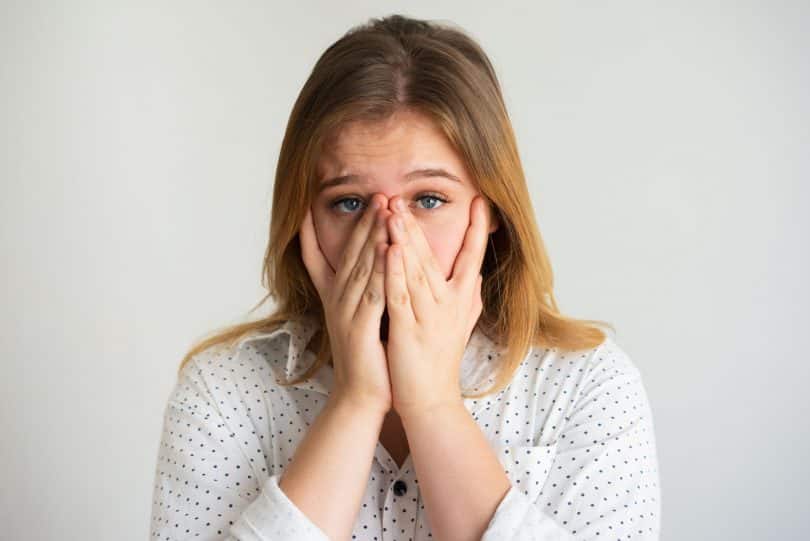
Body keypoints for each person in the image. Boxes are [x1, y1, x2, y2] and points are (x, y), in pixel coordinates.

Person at [149, 14, 661, 541]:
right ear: (303, 220)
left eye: (429, 200)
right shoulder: (223, 392)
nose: (390, 242)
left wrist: (433, 404)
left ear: (490, 217)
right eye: (349, 203)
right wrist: (355, 401)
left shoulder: (586, 386)